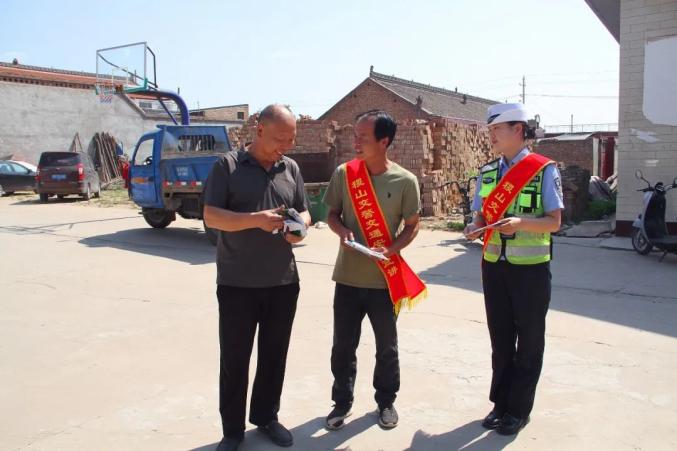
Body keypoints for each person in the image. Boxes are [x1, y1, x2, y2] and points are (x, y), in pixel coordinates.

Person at [203, 104, 311, 451]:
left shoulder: (290, 167)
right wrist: (256, 220)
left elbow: (305, 211)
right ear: (259, 129)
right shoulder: (228, 166)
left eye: (291, 138)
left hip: (283, 282)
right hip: (237, 282)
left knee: (274, 356)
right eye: (280, 138)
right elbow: (211, 216)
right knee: (235, 359)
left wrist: (300, 228)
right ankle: (232, 431)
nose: (287, 145)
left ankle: (266, 417)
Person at [464, 103, 564, 436]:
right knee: (501, 340)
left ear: (518, 130)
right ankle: (500, 404)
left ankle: (519, 410)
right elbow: (480, 215)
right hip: (494, 266)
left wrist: (520, 223)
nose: (491, 136)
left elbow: (554, 222)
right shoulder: (488, 172)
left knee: (530, 342)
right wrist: (473, 226)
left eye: (496, 129)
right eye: (490, 130)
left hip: (530, 270)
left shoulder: (543, 170)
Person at [323, 110, 426, 431]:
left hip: (385, 282)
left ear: (384, 141)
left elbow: (413, 225)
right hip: (348, 278)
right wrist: (342, 231)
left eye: (363, 137)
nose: (355, 142)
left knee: (387, 347)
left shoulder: (405, 181)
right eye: (355, 136)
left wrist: (391, 250)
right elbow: (332, 214)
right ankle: (341, 402)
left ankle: (386, 402)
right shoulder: (345, 174)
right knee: (343, 346)